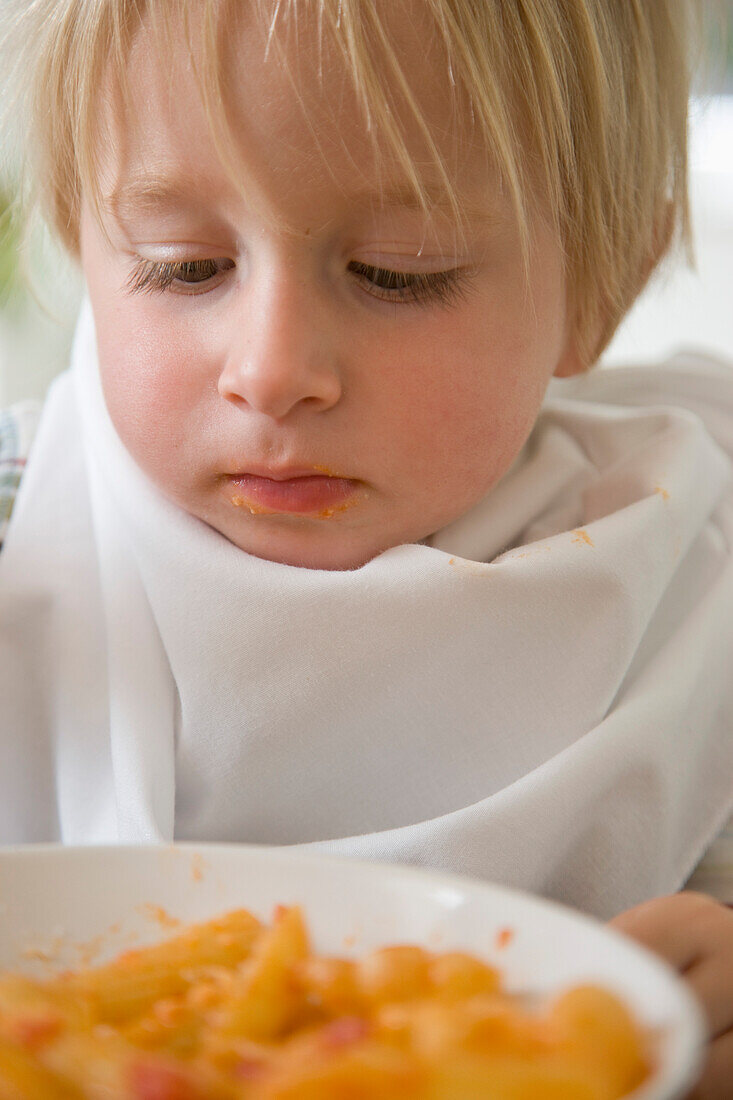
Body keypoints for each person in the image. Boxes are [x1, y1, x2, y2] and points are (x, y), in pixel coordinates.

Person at [0, 0, 732, 1093]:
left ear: (604, 281)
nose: (273, 366)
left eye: (400, 271)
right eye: (184, 264)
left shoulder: (690, 562)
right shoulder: (24, 527)